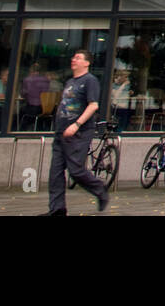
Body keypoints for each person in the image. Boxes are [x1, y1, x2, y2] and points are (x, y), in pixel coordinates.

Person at [40, 49, 109, 216]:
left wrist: (77, 125)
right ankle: (57, 209)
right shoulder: (71, 81)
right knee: (55, 173)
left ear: (87, 63)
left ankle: (100, 190)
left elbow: (93, 105)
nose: (74, 60)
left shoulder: (90, 81)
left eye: (78, 58)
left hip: (79, 133)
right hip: (61, 132)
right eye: (73, 57)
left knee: (76, 170)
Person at [20, 61, 49, 127]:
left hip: (32, 108)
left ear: (31, 71)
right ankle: (39, 128)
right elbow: (46, 93)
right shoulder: (46, 80)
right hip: (44, 108)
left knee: (20, 111)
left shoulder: (27, 80)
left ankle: (20, 129)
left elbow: (23, 94)